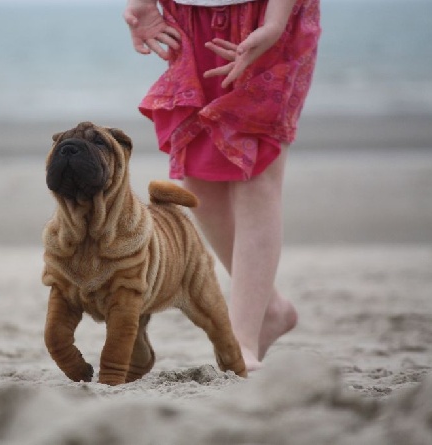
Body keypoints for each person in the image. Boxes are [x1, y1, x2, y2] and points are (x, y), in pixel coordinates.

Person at [123, 0, 321, 370]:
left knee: (255, 175)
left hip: (264, 14)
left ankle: (241, 340)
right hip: (191, 15)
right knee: (202, 181)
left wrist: (276, 22)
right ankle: (270, 309)